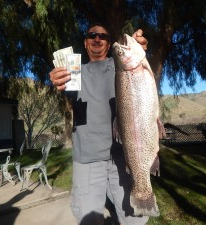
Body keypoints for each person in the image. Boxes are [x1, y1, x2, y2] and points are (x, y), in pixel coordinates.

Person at [49, 22, 149, 225]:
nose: (97, 39)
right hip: (87, 157)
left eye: (102, 36)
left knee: (134, 219)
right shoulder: (75, 72)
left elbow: (136, 61)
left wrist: (139, 45)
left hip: (123, 154)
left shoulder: (120, 63)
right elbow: (64, 88)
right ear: (85, 43)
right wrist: (56, 80)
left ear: (109, 43)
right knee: (89, 220)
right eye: (92, 35)